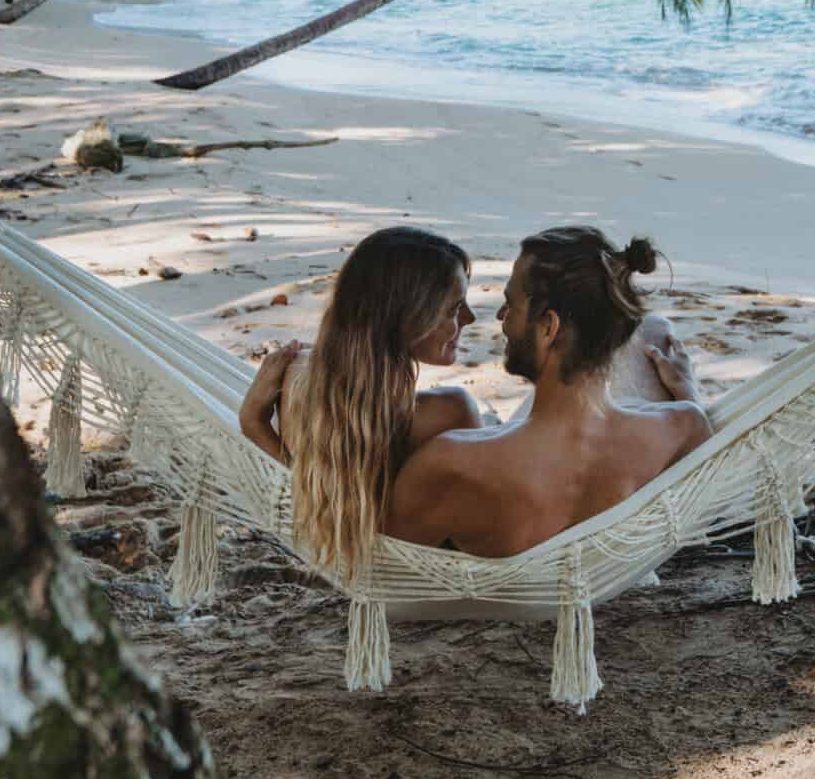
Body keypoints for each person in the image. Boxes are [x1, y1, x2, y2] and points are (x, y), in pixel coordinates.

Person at [387, 226, 710, 556]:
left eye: (510, 305)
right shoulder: (683, 427)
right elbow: (701, 476)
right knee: (656, 331)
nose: (501, 318)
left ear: (548, 327)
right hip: (609, 565)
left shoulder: (449, 464)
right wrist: (687, 391)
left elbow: (384, 574)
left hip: (510, 576)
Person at [238, 225, 480, 581]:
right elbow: (475, 536)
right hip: (435, 582)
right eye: (455, 308)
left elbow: (315, 495)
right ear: (408, 315)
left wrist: (253, 423)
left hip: (355, 566)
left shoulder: (298, 378)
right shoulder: (449, 411)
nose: (470, 319)